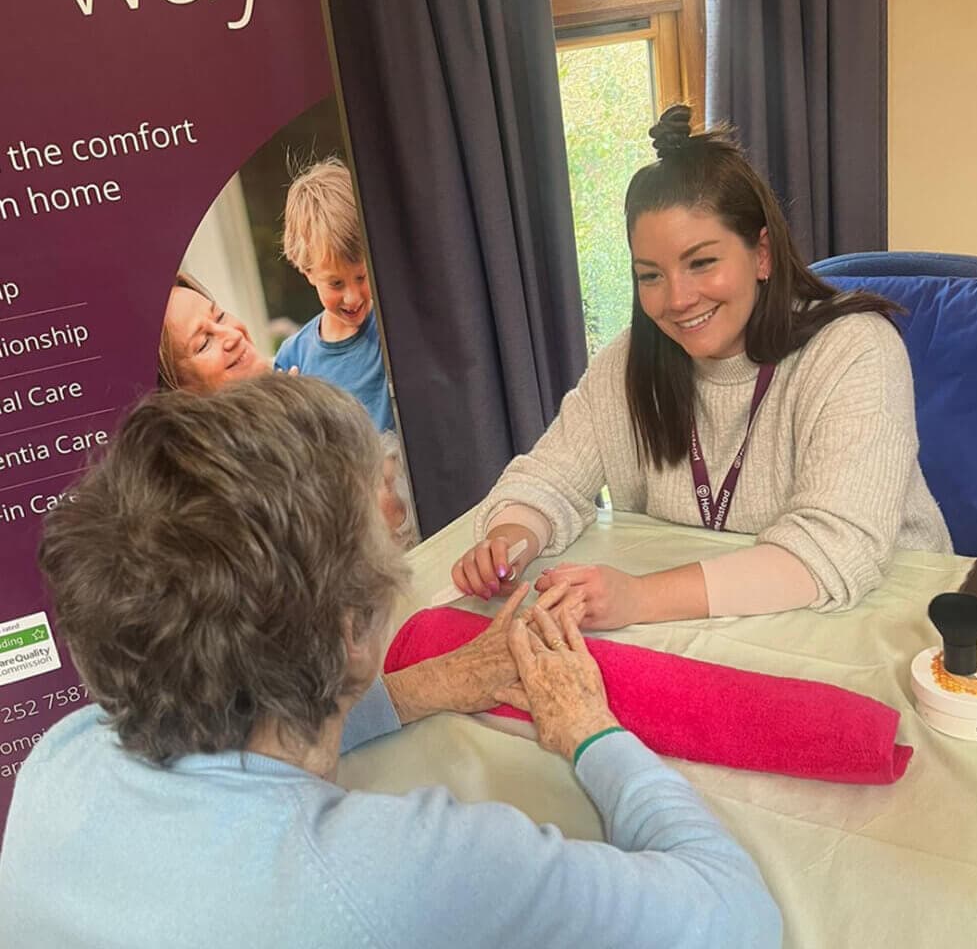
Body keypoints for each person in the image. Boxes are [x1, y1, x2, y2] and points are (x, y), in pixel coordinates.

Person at [0, 375, 781, 948]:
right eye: (389, 528)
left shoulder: (59, 760)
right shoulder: (404, 875)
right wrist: (592, 732)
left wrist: (432, 683)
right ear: (350, 633)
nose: (400, 532)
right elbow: (735, 914)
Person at [451, 105, 951, 627]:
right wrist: (509, 537)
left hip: (888, 619)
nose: (678, 299)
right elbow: (546, 480)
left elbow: (833, 548)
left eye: (702, 262)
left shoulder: (854, 349)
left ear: (761, 254)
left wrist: (639, 599)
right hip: (724, 626)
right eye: (650, 276)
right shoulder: (628, 361)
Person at [159, 272, 417, 547]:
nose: (232, 335)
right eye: (203, 343)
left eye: (220, 316)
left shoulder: (303, 371)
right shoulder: (220, 488)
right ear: (180, 395)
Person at [276, 156, 395, 434]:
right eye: (336, 284)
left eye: (361, 277)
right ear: (308, 272)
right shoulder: (294, 358)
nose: (353, 297)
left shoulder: (391, 326)